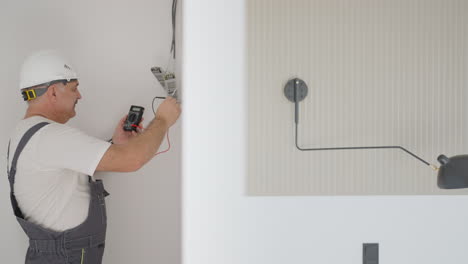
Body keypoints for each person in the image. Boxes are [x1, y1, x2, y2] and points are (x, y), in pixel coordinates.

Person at [6, 50, 181, 264]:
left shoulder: (28, 132)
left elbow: (65, 171)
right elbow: (133, 160)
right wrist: (163, 119)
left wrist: (115, 145)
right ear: (52, 92)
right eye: (74, 88)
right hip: (65, 257)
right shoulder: (50, 136)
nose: (79, 95)